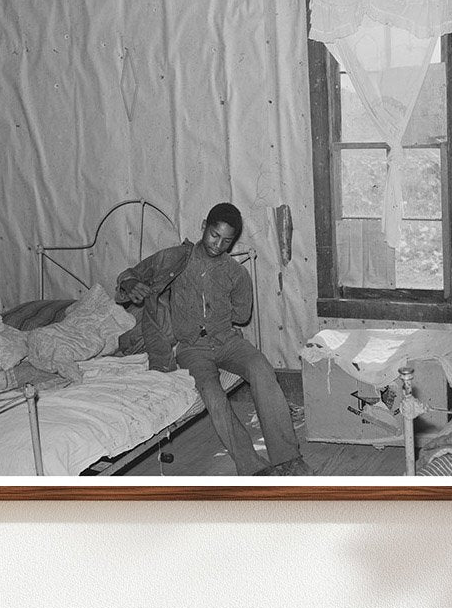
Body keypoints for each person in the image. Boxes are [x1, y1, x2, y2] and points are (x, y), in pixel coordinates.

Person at [116, 202, 311, 477]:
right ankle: (251, 467)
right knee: (214, 395)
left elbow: (242, 316)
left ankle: (287, 458)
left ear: (233, 243)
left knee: (262, 369)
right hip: (192, 349)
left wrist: (217, 315)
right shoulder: (176, 258)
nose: (217, 244)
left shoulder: (236, 272)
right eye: (213, 235)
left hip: (228, 342)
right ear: (203, 226)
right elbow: (129, 275)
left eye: (226, 241)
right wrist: (131, 284)